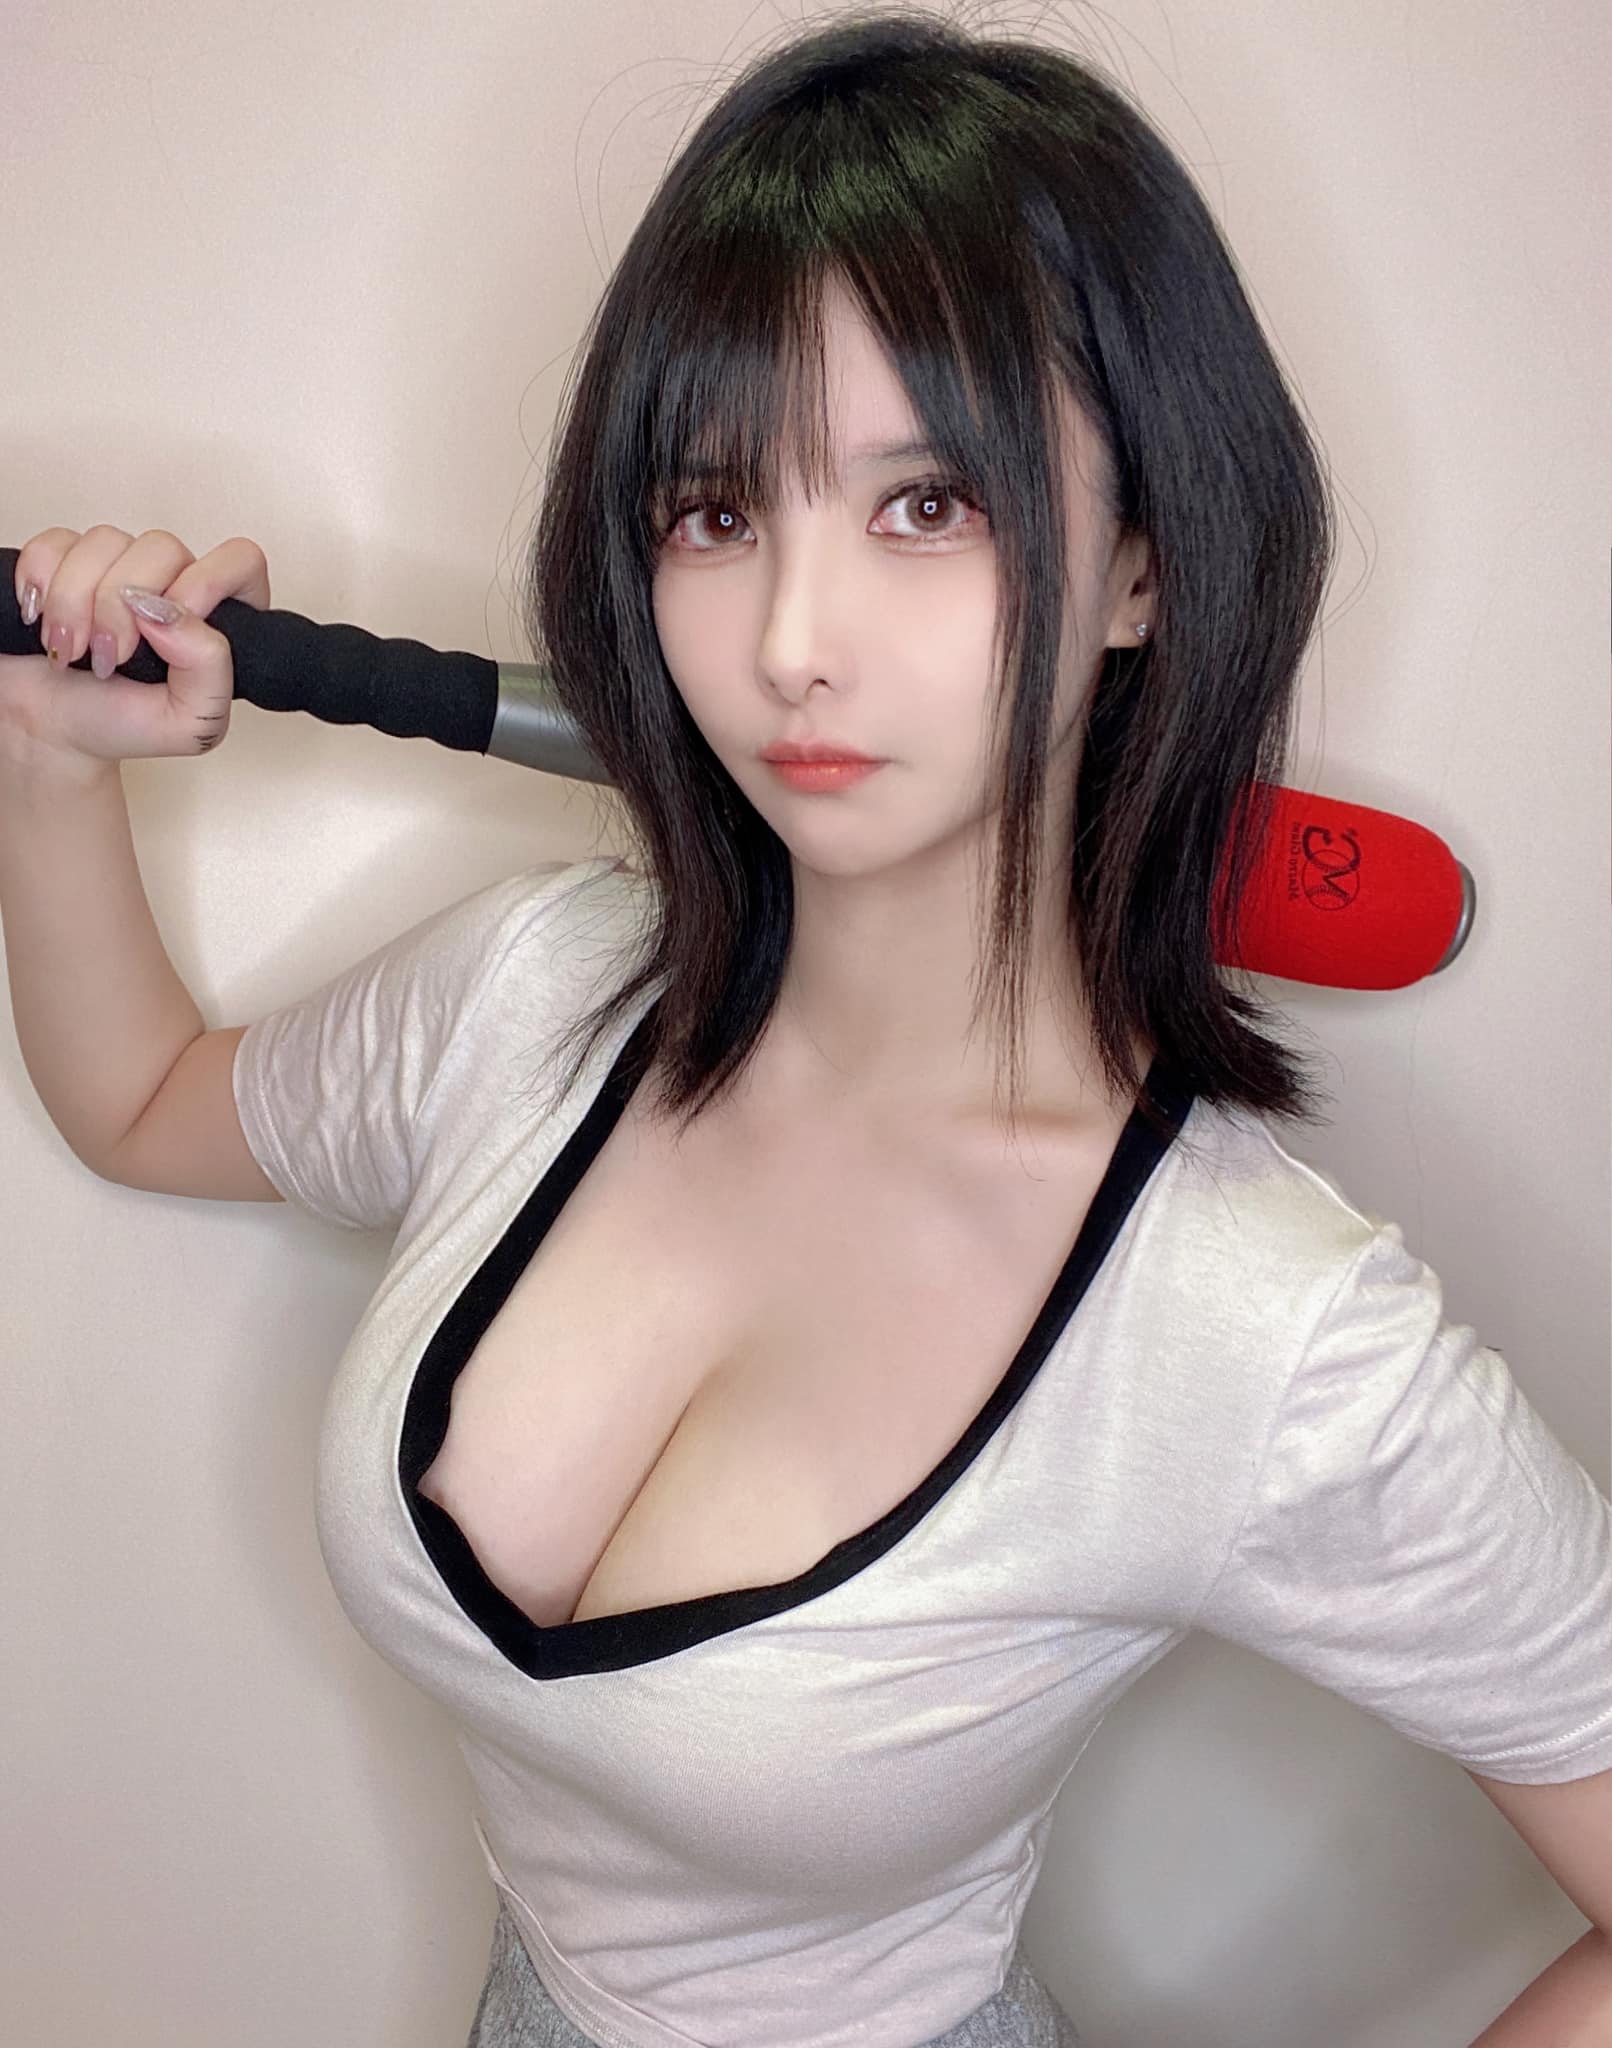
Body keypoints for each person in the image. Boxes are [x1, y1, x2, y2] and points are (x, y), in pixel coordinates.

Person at [2, 10, 1608, 2047]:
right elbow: (143, 1102)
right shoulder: (535, 991)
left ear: (1138, 565)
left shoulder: (1256, 1327)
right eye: (715, 511)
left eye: (926, 505)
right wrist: (50, 762)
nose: (787, 642)